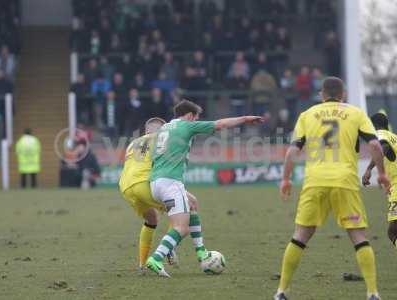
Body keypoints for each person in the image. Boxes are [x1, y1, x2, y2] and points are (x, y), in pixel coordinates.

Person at [274, 77, 390, 300]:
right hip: (345, 181)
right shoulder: (355, 113)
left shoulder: (307, 115)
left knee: (300, 236)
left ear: (322, 95)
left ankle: (281, 291)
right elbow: (375, 145)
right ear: (343, 94)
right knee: (358, 236)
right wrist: (382, 174)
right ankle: (373, 293)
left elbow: (292, 151)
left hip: (315, 181)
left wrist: (286, 179)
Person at [146, 100, 264, 277]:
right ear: (189, 115)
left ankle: (201, 252)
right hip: (171, 182)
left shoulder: (164, 129)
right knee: (181, 228)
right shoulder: (186, 125)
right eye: (196, 118)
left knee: (192, 204)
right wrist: (245, 119)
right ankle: (157, 257)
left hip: (155, 183)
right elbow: (221, 124)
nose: (196, 122)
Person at [119, 117, 202, 268]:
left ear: (146, 131)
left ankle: (142, 264)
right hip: (143, 183)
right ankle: (169, 249)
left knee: (152, 219)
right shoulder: (161, 141)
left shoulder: (133, 143)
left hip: (125, 186)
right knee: (185, 207)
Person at [362, 113, 397, 253]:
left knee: (393, 232)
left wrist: (370, 169)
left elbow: (382, 148)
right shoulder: (394, 137)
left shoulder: (379, 135)